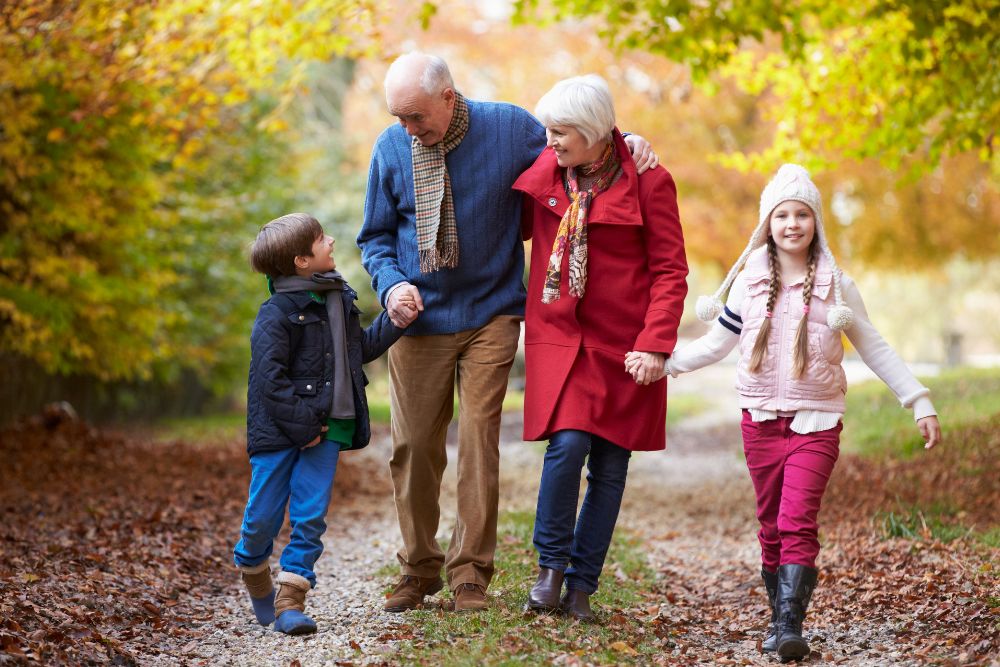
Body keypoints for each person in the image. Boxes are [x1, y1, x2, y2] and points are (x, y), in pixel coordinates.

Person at [358, 52, 658, 613]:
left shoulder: (510, 127)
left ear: (449, 98)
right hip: (418, 318)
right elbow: (374, 237)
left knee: (477, 438)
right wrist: (391, 283)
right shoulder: (391, 149)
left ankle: (470, 573)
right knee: (414, 446)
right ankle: (419, 568)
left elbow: (580, 145)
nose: (407, 129)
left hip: (493, 311)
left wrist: (628, 139)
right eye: (398, 117)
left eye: (416, 117)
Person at [668, 164, 943, 659]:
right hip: (759, 420)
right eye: (782, 215)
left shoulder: (837, 286)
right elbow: (715, 344)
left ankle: (790, 623)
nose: (792, 224)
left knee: (797, 520)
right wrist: (665, 362)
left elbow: (874, 346)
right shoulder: (749, 281)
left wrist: (918, 399)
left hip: (816, 422)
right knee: (770, 523)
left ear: (816, 221)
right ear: (767, 224)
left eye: (802, 214)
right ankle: (778, 619)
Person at [512, 75, 688, 621]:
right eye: (549, 129)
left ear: (593, 134)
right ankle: (550, 571)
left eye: (562, 132)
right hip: (562, 340)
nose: (551, 140)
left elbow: (669, 271)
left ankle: (582, 588)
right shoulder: (547, 171)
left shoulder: (651, 182)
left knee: (611, 466)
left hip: (626, 346)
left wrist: (656, 344)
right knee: (566, 448)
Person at [235, 213, 406, 635]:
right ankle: (255, 572)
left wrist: (395, 320)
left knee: (310, 516)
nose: (330, 240)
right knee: (262, 517)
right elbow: (269, 381)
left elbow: (356, 351)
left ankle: (291, 598)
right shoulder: (276, 313)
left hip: (330, 426)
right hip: (280, 432)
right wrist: (304, 425)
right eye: (320, 239)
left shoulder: (338, 300)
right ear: (301, 261)